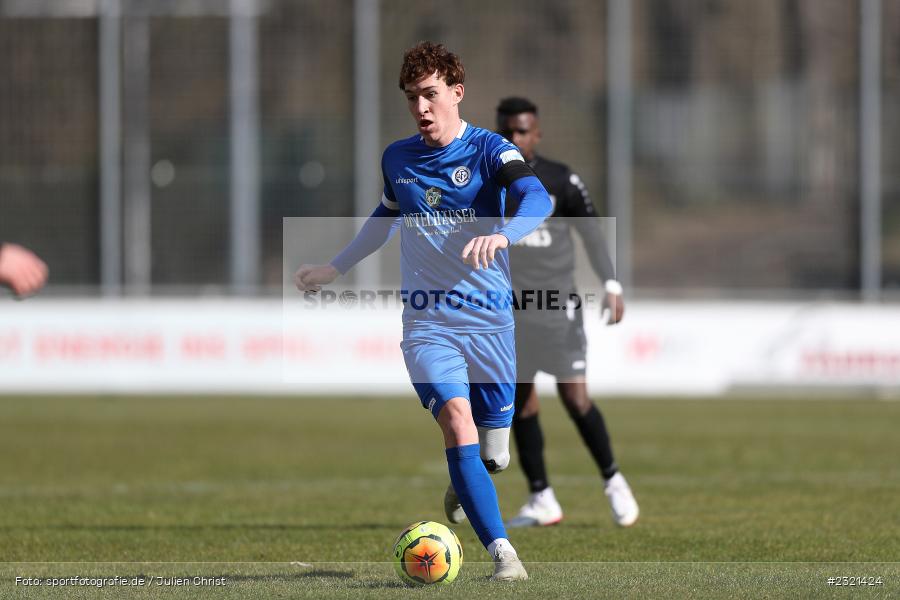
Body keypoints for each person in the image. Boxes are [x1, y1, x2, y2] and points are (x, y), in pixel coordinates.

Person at [294, 43, 551, 581]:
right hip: (428, 324)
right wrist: (334, 268)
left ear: (457, 92)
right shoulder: (398, 157)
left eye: (431, 95)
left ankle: (466, 482)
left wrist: (503, 235)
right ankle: (504, 554)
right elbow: (385, 217)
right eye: (413, 98)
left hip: (492, 325)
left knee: (495, 456)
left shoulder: (490, 150)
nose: (422, 109)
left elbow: (538, 199)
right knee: (457, 422)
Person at [495, 97, 639, 528]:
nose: (514, 139)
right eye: (506, 131)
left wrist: (611, 284)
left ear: (537, 134)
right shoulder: (488, 181)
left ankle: (613, 480)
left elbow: (592, 235)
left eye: (522, 131)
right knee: (520, 405)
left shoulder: (560, 179)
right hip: (512, 312)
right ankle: (542, 498)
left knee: (576, 398)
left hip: (558, 308)